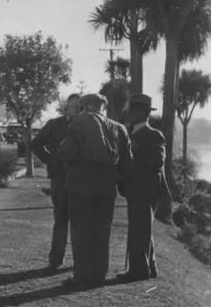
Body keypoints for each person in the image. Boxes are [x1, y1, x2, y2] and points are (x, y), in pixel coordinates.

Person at [56, 93, 132, 289]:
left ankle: (81, 276)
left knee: (81, 232)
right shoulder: (119, 128)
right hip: (106, 188)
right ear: (103, 107)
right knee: (102, 231)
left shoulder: (78, 123)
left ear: (85, 106)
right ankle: (99, 276)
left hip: (80, 187)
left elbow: (66, 154)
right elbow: (127, 162)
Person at [117, 94, 170, 282]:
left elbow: (157, 161)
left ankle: (138, 271)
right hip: (135, 188)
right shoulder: (129, 134)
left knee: (139, 230)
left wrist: (131, 156)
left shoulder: (154, 135)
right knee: (142, 228)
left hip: (146, 189)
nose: (128, 114)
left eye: (131, 111)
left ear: (141, 113)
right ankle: (150, 267)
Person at [31, 93, 82, 272]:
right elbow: (36, 144)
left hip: (80, 180)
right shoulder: (54, 124)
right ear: (66, 107)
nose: (76, 110)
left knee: (78, 222)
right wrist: (51, 161)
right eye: (73, 106)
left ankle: (79, 262)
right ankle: (55, 260)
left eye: (79, 107)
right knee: (60, 220)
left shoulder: (87, 125)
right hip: (59, 179)